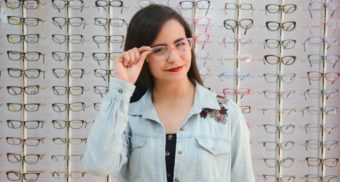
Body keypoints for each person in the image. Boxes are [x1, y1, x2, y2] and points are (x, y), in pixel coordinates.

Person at [82, 4, 255, 182]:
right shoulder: (129, 114)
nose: (173, 57)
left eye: (180, 44)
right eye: (159, 49)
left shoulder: (226, 113)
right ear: (144, 56)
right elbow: (98, 165)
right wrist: (122, 86)